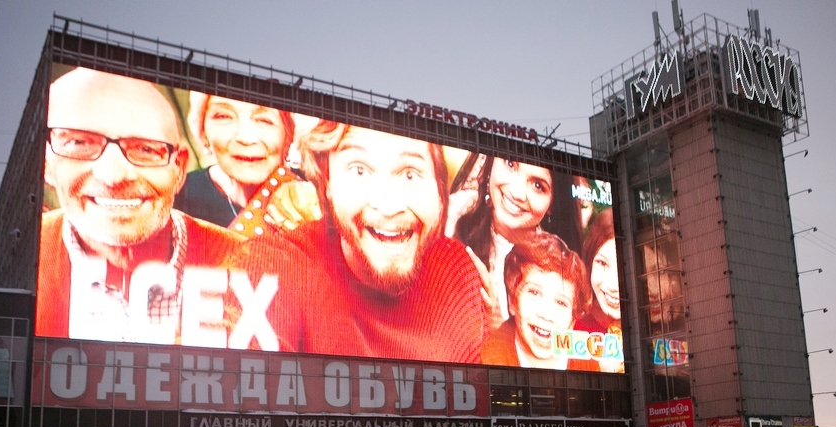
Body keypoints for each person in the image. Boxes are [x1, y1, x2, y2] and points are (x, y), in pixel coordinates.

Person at [36, 68, 289, 349]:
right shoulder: (28, 258)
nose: (113, 176)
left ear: (178, 168)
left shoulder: (254, 266)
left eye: (146, 150)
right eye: (78, 144)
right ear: (46, 163)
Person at [278, 121, 485, 361]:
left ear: (439, 192)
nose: (389, 206)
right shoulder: (285, 265)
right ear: (327, 183)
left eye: (410, 173)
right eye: (359, 171)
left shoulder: (458, 267)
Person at [175, 93, 315, 235]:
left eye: (264, 120)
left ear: (289, 135)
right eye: (224, 116)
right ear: (203, 132)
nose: (245, 138)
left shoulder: (319, 194)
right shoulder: (178, 197)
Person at [450, 157, 555, 328]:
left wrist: (497, 323)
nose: (517, 193)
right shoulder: (455, 212)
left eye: (537, 185)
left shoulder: (554, 269)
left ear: (552, 203)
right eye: (510, 164)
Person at [480, 232, 598, 370]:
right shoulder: (490, 357)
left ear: (573, 318)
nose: (546, 314)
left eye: (561, 303)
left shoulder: (590, 362)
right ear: (512, 301)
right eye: (534, 293)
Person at [578, 211, 624, 372]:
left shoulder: (657, 329)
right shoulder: (572, 329)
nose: (613, 285)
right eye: (602, 264)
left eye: (624, 269)